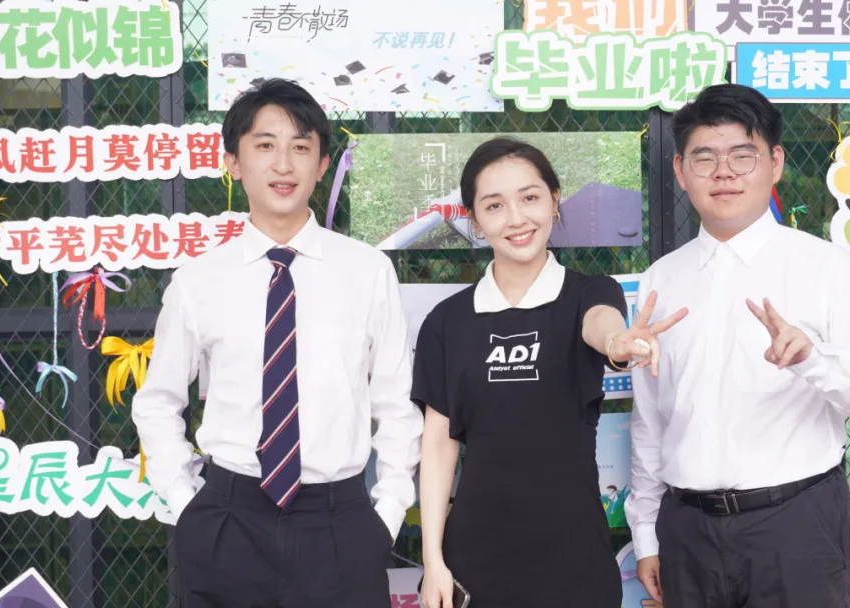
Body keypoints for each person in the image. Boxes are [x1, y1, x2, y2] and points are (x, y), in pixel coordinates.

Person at [131, 78, 423, 608]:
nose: (283, 164)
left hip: (339, 523)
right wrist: (186, 504)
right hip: (228, 521)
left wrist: (386, 512)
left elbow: (396, 404)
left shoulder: (367, 271)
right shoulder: (199, 280)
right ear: (234, 162)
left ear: (323, 164)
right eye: (265, 145)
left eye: (301, 147)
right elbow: (158, 401)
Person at [625, 84, 850, 608]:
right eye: (704, 158)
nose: (723, 173)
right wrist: (646, 534)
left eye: (742, 155)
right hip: (688, 531)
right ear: (680, 171)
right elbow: (650, 419)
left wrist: (812, 359)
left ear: (775, 163)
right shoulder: (662, 278)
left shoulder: (825, 268)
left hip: (796, 527)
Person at [413, 137, 686, 608]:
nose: (516, 218)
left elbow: (601, 326)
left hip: (574, 558)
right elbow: (438, 446)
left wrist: (618, 344)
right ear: (475, 220)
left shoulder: (588, 293)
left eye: (530, 197)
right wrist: (433, 561)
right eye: (494, 205)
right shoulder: (447, 322)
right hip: (475, 558)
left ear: (555, 200)